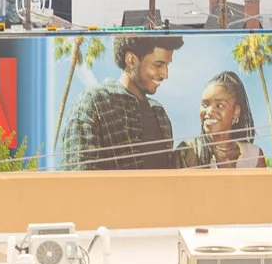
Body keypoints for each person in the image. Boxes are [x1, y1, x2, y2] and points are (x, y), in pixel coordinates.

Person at [60, 34, 183, 170]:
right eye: (158, 64)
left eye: (167, 65)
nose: (165, 74)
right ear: (131, 60)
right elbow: (79, 180)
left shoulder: (160, 115)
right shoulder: (93, 103)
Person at [185, 71, 265, 169]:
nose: (209, 111)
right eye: (205, 105)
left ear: (236, 111)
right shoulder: (187, 152)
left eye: (219, 105)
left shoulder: (254, 156)